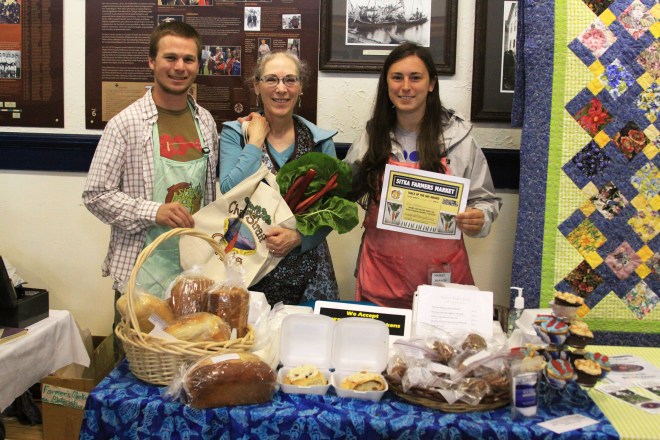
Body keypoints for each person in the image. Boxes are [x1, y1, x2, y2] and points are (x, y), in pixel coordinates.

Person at [344, 42, 501, 309]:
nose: (406, 86)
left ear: (431, 84)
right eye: (397, 77)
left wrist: (480, 218)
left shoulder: (459, 139)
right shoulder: (372, 136)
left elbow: (485, 200)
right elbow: (345, 189)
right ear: (387, 84)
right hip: (382, 278)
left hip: (442, 280)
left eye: (415, 77)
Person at [82, 21, 218, 326]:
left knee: (188, 360)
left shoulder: (206, 123)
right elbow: (95, 195)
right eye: (170, 58)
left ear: (199, 64)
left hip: (192, 274)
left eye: (188, 59)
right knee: (138, 366)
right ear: (152, 61)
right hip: (140, 273)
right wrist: (153, 211)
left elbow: (208, 197)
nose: (179, 67)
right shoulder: (126, 124)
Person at [219, 51, 339, 306]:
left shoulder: (320, 142)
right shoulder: (235, 134)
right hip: (248, 271)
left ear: (301, 87)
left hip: (309, 275)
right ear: (256, 86)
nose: (281, 89)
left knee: (305, 344)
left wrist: (299, 238)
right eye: (271, 79)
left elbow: (332, 211)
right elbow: (229, 190)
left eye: (290, 80)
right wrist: (255, 142)